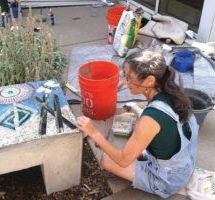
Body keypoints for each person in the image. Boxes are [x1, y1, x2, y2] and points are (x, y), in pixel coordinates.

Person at [76, 49, 199, 198]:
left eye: (129, 78)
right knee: (135, 146)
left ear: (149, 81)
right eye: (125, 76)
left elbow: (123, 160)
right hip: (184, 163)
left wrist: (93, 132)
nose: (125, 83)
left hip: (168, 179)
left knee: (107, 160)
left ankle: (153, 182)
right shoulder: (173, 91)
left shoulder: (150, 119)